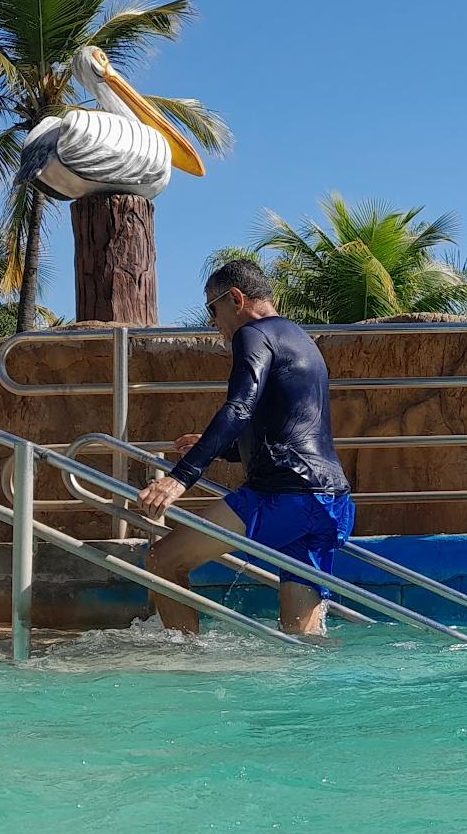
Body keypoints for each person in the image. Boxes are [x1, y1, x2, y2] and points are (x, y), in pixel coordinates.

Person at [139, 261, 354, 636]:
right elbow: (290, 428)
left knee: (163, 560)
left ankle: (187, 671)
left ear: (236, 298)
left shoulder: (252, 334)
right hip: (330, 501)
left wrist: (180, 478)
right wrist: (223, 451)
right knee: (300, 640)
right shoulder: (301, 339)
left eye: (212, 308)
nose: (212, 322)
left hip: (284, 496)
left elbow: (240, 407)